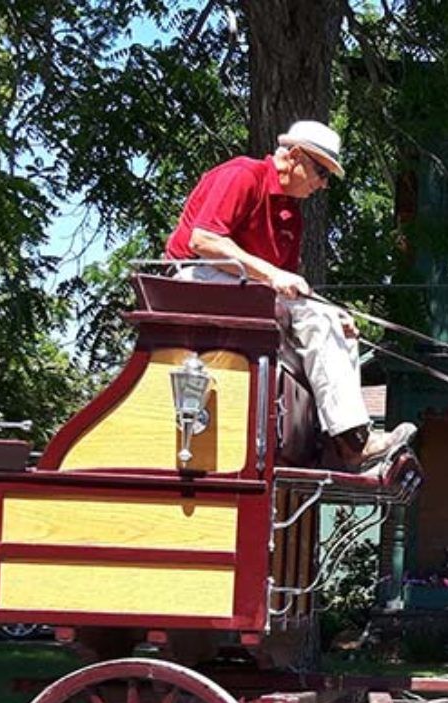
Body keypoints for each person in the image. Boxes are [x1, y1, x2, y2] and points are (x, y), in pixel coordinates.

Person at [163, 120, 415, 472]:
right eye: (321, 172)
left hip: (244, 289)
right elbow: (203, 241)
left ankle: (349, 442)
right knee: (309, 313)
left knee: (331, 322)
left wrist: (329, 310)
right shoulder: (242, 175)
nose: (323, 184)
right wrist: (273, 275)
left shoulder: (289, 216)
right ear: (295, 156)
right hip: (193, 280)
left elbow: (290, 288)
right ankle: (351, 443)